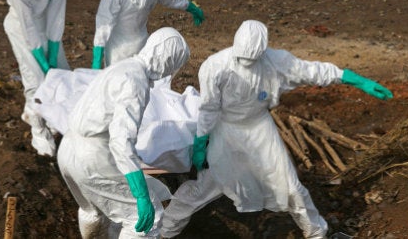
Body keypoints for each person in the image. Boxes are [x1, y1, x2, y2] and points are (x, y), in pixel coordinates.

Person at [160, 20, 393, 239]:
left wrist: (353, 78)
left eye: (252, 61)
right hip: (227, 131)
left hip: (260, 130)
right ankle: (164, 231)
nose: (246, 65)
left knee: (290, 186)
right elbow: (209, 107)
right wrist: (202, 141)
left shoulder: (276, 61)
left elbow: (312, 71)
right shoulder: (215, 66)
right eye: (242, 59)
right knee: (208, 185)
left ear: (262, 52)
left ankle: (315, 233)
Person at [57, 27, 191, 238]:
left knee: (92, 210)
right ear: (167, 60)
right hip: (93, 156)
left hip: (67, 147)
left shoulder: (123, 67)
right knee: (147, 218)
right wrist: (140, 193)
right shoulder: (136, 82)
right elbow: (121, 140)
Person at [3, 0, 70, 157]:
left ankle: (52, 117)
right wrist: (42, 60)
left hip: (43, 24)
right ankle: (39, 132)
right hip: (20, 26)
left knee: (62, 72)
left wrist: (53, 50)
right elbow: (27, 26)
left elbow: (57, 16)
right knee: (36, 78)